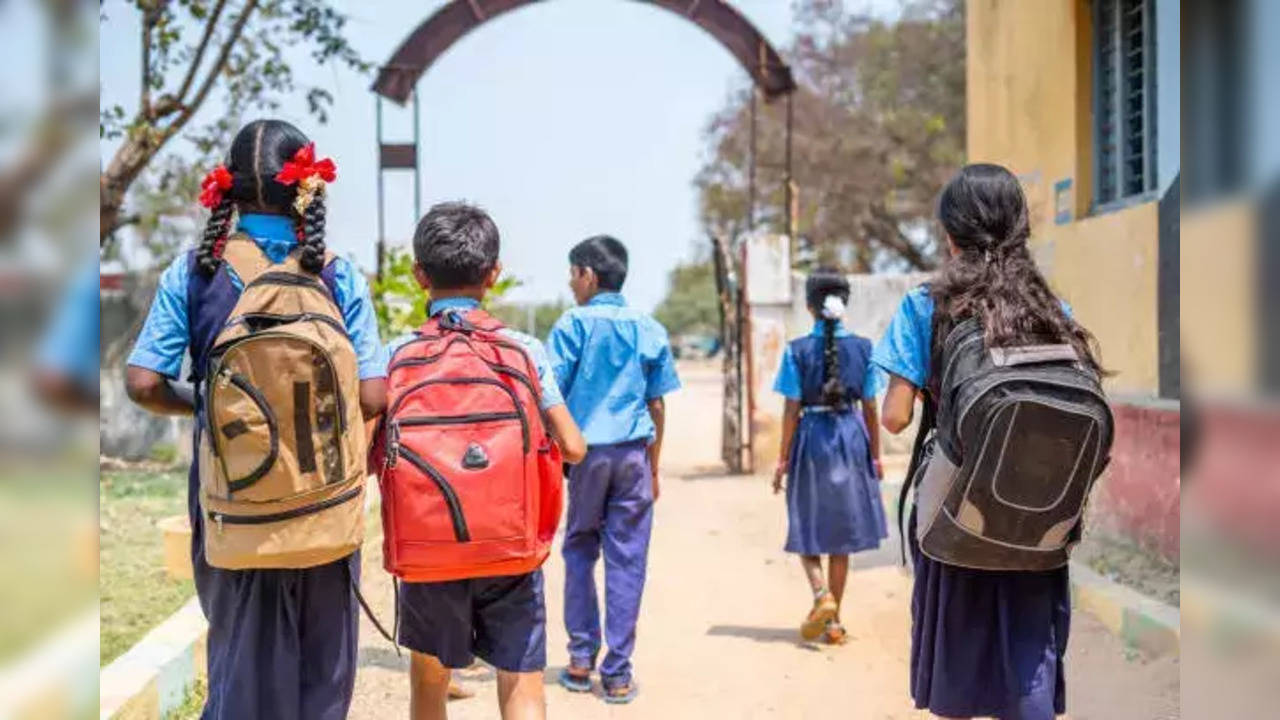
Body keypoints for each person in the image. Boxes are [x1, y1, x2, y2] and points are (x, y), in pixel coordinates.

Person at [124, 119, 387, 719]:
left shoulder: (194, 272)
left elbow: (143, 383)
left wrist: (212, 404)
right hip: (322, 501)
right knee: (322, 675)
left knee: (238, 667)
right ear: (308, 192)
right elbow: (373, 395)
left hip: (229, 501)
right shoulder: (335, 273)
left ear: (228, 190)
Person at [873, 163, 1103, 720]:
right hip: (1040, 517)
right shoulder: (1054, 311)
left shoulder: (925, 307)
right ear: (1020, 229)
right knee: (1028, 655)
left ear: (950, 235)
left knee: (959, 661)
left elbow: (897, 419)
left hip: (957, 511)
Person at [384, 201, 586, 720]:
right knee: (521, 682)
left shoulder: (396, 355)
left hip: (427, 553)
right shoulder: (523, 350)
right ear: (493, 275)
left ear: (418, 276)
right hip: (510, 547)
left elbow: (368, 456)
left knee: (430, 684)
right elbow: (575, 446)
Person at [546, 235, 681, 704]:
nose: (570, 283)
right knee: (628, 559)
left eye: (572, 273)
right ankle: (618, 673)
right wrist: (654, 466)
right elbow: (658, 404)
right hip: (633, 457)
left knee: (580, 549)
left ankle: (581, 661)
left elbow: (551, 397)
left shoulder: (571, 325)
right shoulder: (648, 327)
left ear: (589, 275)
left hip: (584, 457)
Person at [772, 268, 887, 645]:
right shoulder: (864, 348)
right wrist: (876, 455)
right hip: (851, 439)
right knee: (841, 536)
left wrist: (782, 459)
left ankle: (821, 595)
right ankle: (834, 623)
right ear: (846, 302)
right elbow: (870, 406)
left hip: (811, 439)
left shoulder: (796, 350)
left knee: (805, 523)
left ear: (809, 306)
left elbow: (791, 409)